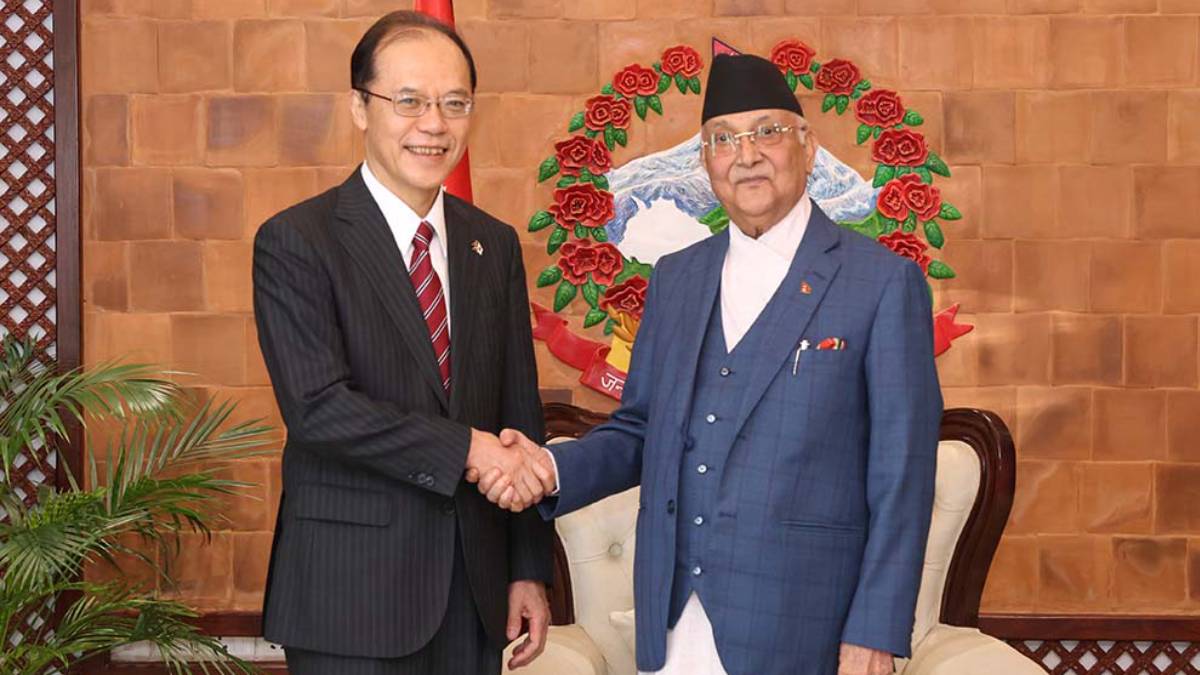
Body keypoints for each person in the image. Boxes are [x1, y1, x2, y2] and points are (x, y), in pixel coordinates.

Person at [475, 54, 943, 675]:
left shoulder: (883, 283)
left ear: (807, 146)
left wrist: (874, 632)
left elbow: (902, 473)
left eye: (767, 132)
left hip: (807, 626)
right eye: (724, 139)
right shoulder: (677, 278)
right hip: (673, 621)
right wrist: (548, 468)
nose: (746, 155)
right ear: (706, 160)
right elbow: (641, 430)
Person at [252, 11, 555, 674]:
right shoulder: (297, 241)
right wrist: (467, 449)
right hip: (349, 594)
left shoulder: (493, 243)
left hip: (474, 592)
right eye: (409, 101)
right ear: (360, 108)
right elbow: (319, 408)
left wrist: (527, 567)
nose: (434, 124)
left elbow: (518, 412)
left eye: (454, 103)